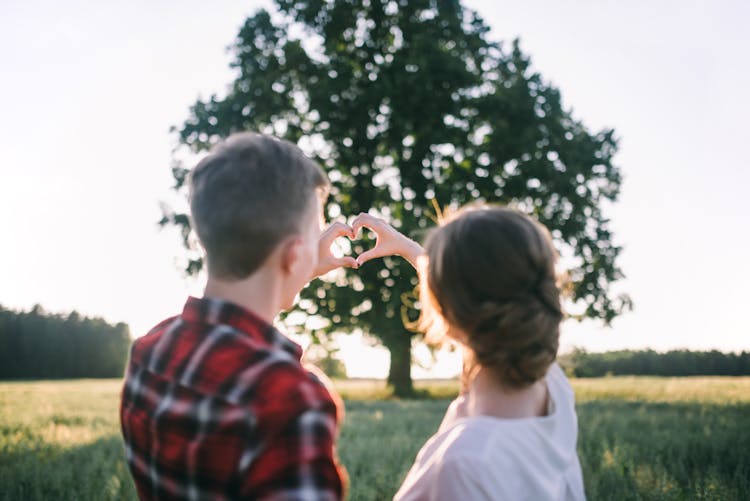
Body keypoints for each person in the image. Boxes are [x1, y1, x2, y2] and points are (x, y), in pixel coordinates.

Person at [120, 132, 358, 500]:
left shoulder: (151, 350)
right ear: (294, 255)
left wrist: (292, 269)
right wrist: (292, 269)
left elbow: (237, 336)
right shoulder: (291, 402)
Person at [349, 207, 585, 501]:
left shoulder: (465, 465)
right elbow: (484, 297)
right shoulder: (554, 388)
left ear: (444, 316)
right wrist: (405, 247)